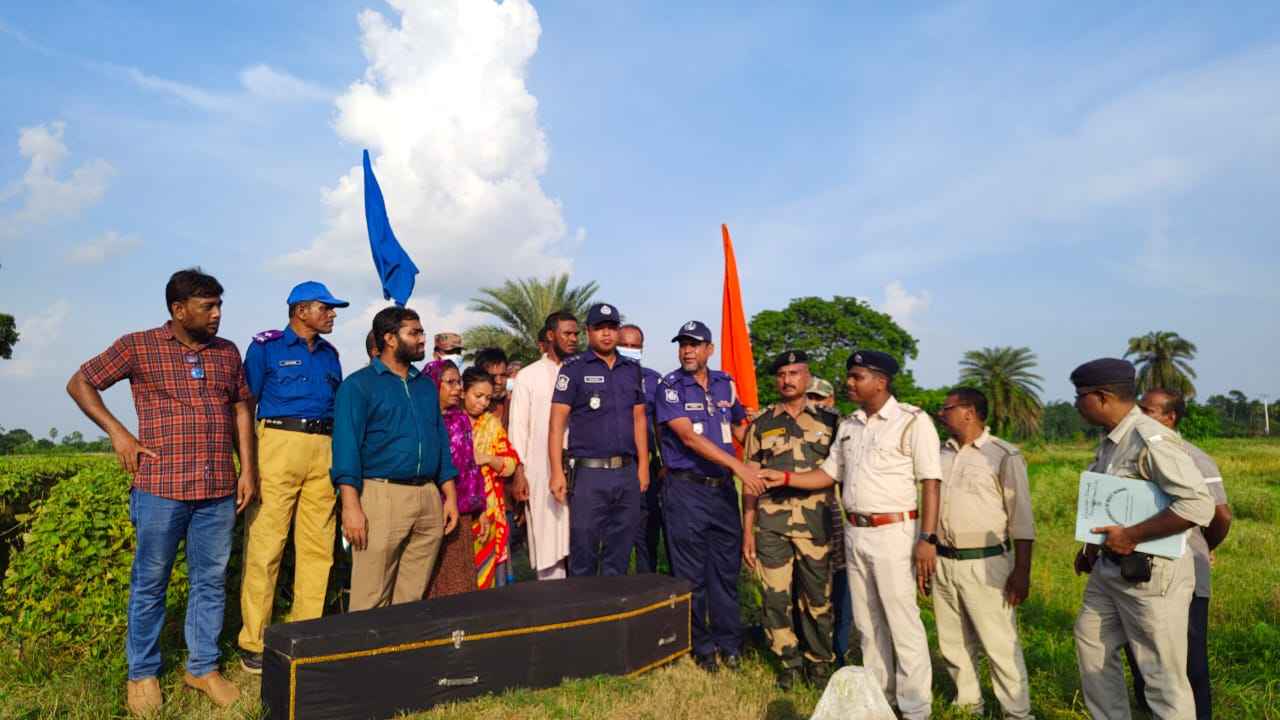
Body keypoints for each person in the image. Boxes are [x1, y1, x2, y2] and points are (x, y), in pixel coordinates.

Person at [66, 268, 256, 713]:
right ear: (178, 309)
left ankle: (202, 668)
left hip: (217, 489)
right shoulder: (138, 346)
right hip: (160, 488)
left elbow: (240, 408)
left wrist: (248, 469)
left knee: (210, 581)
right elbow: (80, 382)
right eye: (208, 306)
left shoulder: (227, 352)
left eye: (219, 305)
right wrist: (118, 433)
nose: (217, 314)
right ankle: (142, 673)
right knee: (150, 582)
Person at [781, 350, 940, 720]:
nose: (849, 383)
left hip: (895, 532)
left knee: (901, 621)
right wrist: (785, 477)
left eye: (857, 377)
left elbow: (931, 482)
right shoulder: (850, 424)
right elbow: (828, 473)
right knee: (868, 623)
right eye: (849, 376)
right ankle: (880, 701)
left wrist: (927, 538)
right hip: (856, 532)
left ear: (880, 382)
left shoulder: (912, 421)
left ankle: (916, 708)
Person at [1070, 358, 1214, 720]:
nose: (1076, 404)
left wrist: (1132, 536)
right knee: (1091, 643)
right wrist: (1091, 547)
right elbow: (1115, 500)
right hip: (1109, 569)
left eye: (1080, 396)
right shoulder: (1112, 440)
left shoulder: (1149, 439)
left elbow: (1199, 505)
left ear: (1102, 397)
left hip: (1151, 574)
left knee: (1161, 676)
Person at [236, 281, 348, 675]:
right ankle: (253, 642)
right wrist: (247, 463)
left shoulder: (331, 355)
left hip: (324, 448)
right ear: (301, 311)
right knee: (266, 546)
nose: (332, 314)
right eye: (325, 308)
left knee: (318, 547)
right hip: (278, 445)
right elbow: (245, 405)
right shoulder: (266, 348)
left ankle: (305, 634)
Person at [331, 307, 459, 611]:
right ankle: (363, 645)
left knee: (411, 599)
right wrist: (351, 507)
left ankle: (401, 645)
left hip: (428, 497)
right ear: (390, 338)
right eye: (414, 333)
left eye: (421, 332)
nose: (422, 339)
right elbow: (346, 448)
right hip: (381, 495)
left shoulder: (424, 386)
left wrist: (449, 496)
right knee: (370, 598)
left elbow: (440, 440)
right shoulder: (358, 386)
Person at [654, 320, 756, 672]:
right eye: (683, 344)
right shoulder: (670, 387)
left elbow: (741, 428)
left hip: (722, 491)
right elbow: (688, 437)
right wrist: (739, 466)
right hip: (686, 490)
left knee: (725, 573)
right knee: (692, 575)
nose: (687, 350)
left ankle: (730, 643)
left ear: (709, 349)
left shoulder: (726, 383)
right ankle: (702, 647)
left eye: (695, 344)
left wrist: (766, 448)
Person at [1126, 387, 1231, 719]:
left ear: (1170, 417)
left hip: (1185, 576)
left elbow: (1221, 516)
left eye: (1148, 411)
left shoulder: (1193, 457)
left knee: (1189, 664)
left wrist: (1204, 547)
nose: (1138, 416)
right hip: (1137, 572)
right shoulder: (1131, 452)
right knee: (1143, 661)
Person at [933, 387, 1035, 719]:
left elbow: (1021, 518)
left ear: (969, 412)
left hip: (987, 561)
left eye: (946, 408)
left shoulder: (1003, 455)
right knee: (953, 641)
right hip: (943, 559)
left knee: (999, 643)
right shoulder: (939, 453)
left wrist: (1022, 571)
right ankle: (968, 706)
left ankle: (1016, 712)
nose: (941, 414)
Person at [744, 352, 839, 688]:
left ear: (807, 377)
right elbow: (750, 481)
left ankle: (819, 662)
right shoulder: (762, 423)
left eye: (794, 373)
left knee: (817, 599)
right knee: (775, 597)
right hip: (772, 525)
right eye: (782, 374)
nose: (787, 379)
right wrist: (748, 531)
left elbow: (840, 474)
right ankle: (789, 662)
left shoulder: (831, 423)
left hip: (816, 525)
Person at [548, 302, 650, 576]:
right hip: (589, 476)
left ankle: (613, 603)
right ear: (588, 332)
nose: (606, 334)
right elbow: (556, 424)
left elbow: (639, 419)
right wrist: (556, 471)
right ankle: (584, 603)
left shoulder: (632, 369)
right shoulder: (574, 368)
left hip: (626, 472)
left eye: (611, 327)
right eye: (599, 328)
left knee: (620, 551)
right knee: (584, 551)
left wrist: (643, 466)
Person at [508, 311, 578, 580]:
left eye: (576, 334)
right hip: (540, 471)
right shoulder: (528, 376)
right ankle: (552, 599)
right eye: (567, 333)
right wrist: (519, 473)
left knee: (579, 539)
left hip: (579, 466)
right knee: (548, 540)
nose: (573, 339)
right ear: (550, 335)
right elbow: (518, 429)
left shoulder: (581, 371)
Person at [424, 360, 483, 598]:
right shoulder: (424, 421)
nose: (458, 388)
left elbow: (471, 466)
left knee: (460, 578)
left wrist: (479, 508)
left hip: (461, 511)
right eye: (450, 382)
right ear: (433, 384)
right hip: (431, 510)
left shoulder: (460, 420)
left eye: (459, 382)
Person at [460, 367, 520, 587]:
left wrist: (486, 458)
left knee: (487, 578)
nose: (483, 403)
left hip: (490, 508)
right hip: (457, 509)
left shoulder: (492, 424)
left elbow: (510, 465)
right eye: (478, 396)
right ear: (463, 392)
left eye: (487, 398)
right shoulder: (448, 422)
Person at [806, 376, 851, 663]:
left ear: (831, 399)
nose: (814, 403)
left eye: (819, 398)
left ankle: (840, 646)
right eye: (809, 397)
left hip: (831, 511)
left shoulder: (841, 426)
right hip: (799, 514)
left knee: (840, 578)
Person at [619, 322, 667, 574]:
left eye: (634, 346)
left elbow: (662, 426)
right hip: (614, 467)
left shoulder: (654, 380)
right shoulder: (601, 377)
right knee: (616, 538)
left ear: (642, 348)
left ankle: (647, 584)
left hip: (646, 467)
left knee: (647, 535)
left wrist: (665, 463)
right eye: (624, 345)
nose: (629, 350)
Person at [474, 347, 512, 426]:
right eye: (492, 376)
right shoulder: (469, 409)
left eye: (503, 375)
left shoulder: (515, 403)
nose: (499, 382)